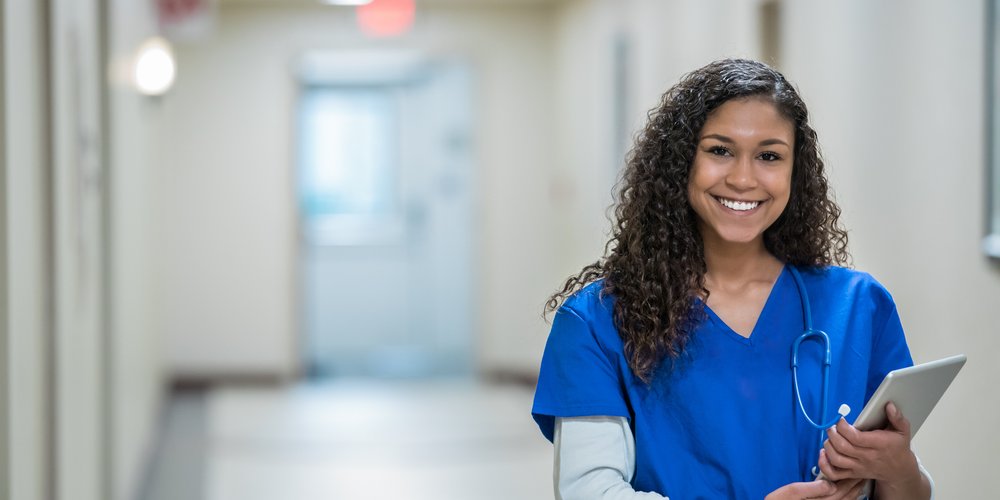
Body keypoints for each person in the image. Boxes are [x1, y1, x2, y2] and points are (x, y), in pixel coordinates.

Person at [531, 59, 933, 499]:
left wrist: (901, 472)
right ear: (682, 161)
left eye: (769, 156)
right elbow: (588, 490)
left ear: (794, 172)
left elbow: (897, 487)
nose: (743, 178)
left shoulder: (857, 306)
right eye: (719, 150)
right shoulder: (595, 322)